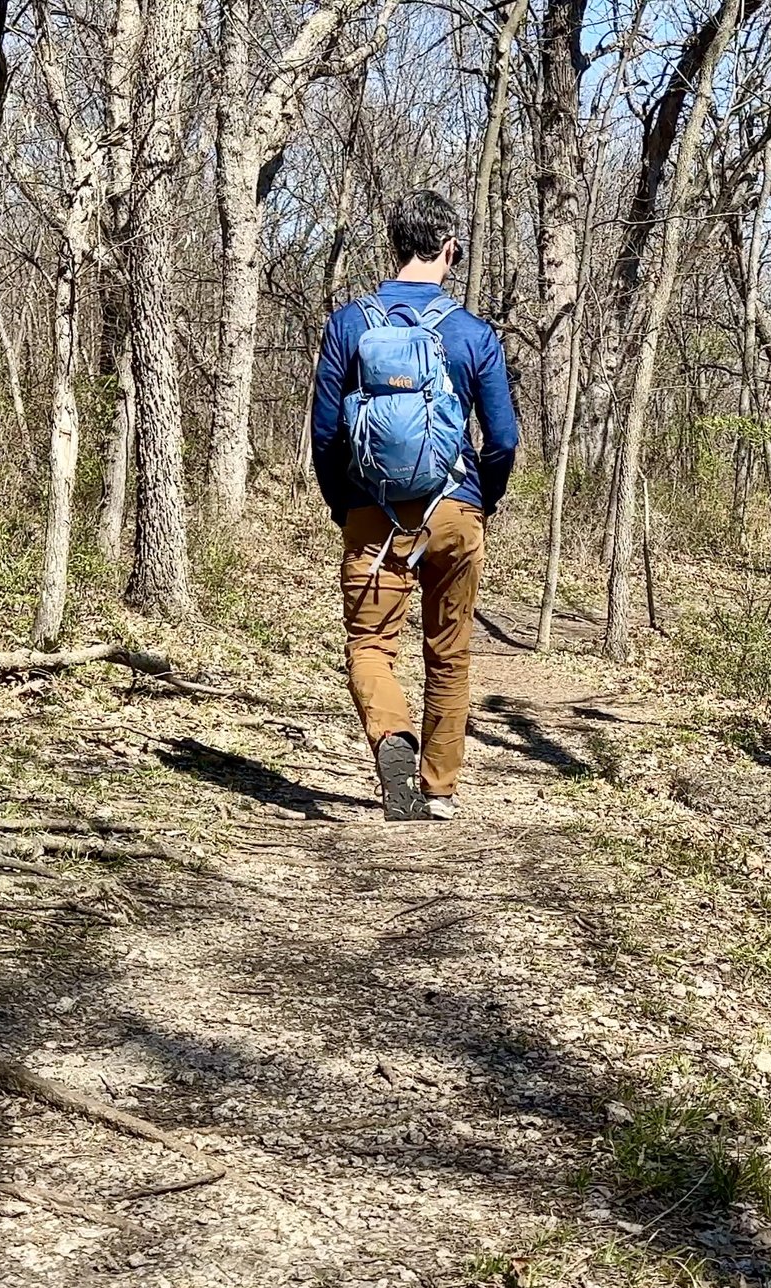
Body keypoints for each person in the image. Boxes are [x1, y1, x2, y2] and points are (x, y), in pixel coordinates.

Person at [310, 190, 519, 820]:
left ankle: (391, 736)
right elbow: (503, 438)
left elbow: (324, 432)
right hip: (456, 509)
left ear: (396, 245)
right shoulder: (473, 334)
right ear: (450, 249)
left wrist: (345, 504)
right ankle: (437, 790)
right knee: (449, 649)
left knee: (370, 645)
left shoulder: (350, 324)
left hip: (372, 509)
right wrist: (481, 498)